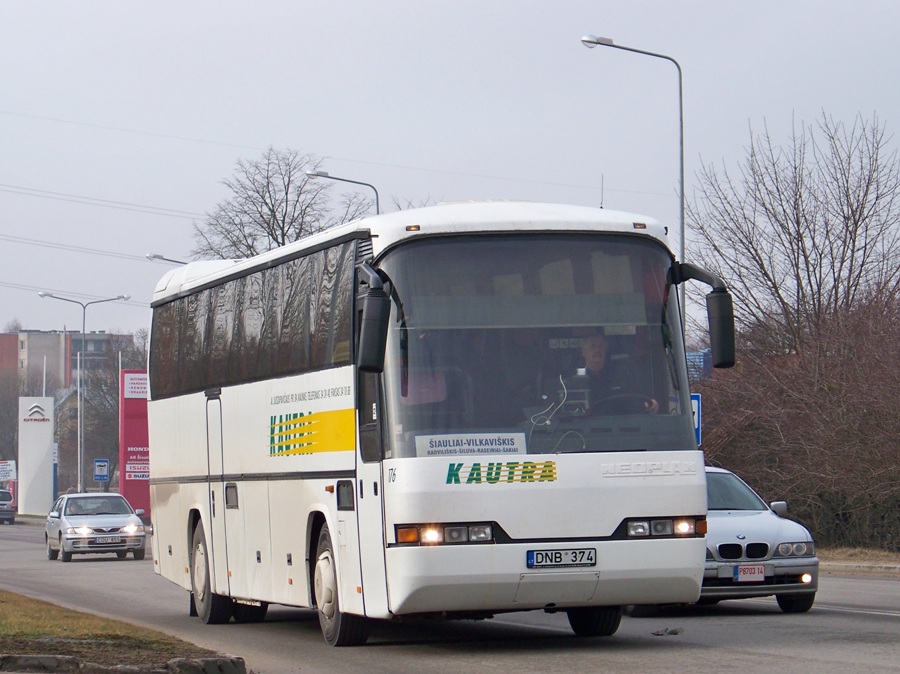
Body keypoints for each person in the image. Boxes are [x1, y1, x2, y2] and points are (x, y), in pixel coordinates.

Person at [576, 333, 658, 414]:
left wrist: (651, 404)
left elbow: (635, 399)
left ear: (605, 351)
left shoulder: (621, 376)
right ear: (583, 352)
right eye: (592, 346)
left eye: (601, 346)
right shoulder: (576, 382)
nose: (597, 350)